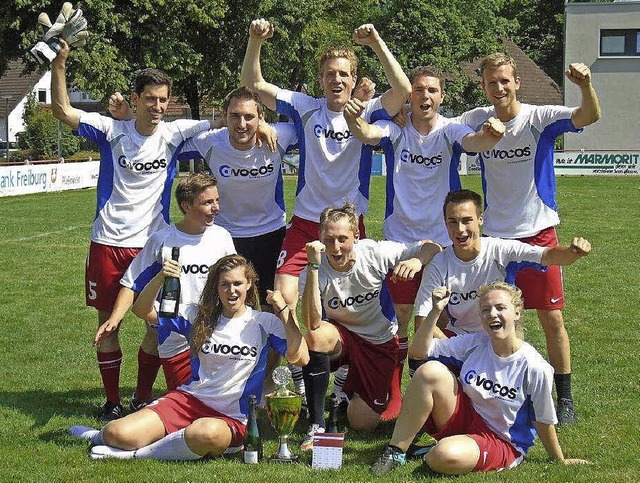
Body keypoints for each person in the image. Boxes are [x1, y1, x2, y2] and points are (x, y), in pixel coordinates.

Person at [51, 40, 214, 421]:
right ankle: (111, 401)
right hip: (108, 242)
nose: (158, 107)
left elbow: (226, 121)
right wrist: (60, 63)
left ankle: (142, 397)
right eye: (151, 99)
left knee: (156, 325)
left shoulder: (174, 134)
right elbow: (61, 109)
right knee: (109, 324)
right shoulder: (112, 130)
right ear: (136, 98)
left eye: (163, 100)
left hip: (154, 248)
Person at [343, 66, 505, 416]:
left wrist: (490, 135)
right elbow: (367, 132)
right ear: (410, 96)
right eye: (418, 90)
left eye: (432, 90)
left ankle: (446, 398)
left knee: (440, 320)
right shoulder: (395, 130)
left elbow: (475, 143)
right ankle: (393, 397)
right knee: (399, 319)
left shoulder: (450, 130)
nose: (425, 96)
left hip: (445, 244)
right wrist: (353, 116)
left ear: (441, 96)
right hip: (400, 243)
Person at [455, 53, 601, 423]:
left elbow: (588, 116)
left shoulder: (538, 118)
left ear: (517, 82)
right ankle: (495, 394)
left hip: (539, 236)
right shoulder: (475, 118)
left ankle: (563, 397)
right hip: (497, 242)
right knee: (494, 322)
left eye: (505, 81)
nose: (499, 88)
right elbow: (442, 128)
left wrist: (585, 85)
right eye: (492, 82)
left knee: (552, 319)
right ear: (484, 86)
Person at [241, 19, 412, 310]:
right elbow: (253, 83)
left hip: (348, 225)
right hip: (306, 222)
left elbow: (403, 88)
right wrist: (255, 40)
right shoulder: (305, 107)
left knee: (353, 303)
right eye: (330, 74)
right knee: (281, 300)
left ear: (354, 80)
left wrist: (376, 43)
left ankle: (342, 352)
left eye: (344, 74)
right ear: (320, 80)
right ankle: (295, 354)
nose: (337, 80)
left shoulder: (369, 111)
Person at [69, 255, 309, 461]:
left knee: (206, 434)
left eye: (238, 283)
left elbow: (300, 358)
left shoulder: (264, 323)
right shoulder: (198, 315)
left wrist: (285, 312)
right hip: (188, 401)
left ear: (249, 284)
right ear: (216, 287)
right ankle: (98, 435)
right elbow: (142, 311)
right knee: (117, 434)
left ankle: (136, 455)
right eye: (225, 284)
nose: (231, 290)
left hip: (231, 417)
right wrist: (160, 278)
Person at [371, 282, 590, 475]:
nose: (492, 314)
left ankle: (433, 451)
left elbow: (543, 419)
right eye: (486, 310)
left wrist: (558, 458)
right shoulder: (476, 343)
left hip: (501, 440)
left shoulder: (534, 366)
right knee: (430, 371)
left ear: (517, 313)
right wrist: (436, 310)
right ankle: (395, 452)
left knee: (444, 456)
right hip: (467, 420)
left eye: (500, 308)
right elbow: (418, 352)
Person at [300, 203, 442, 450]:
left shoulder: (374, 252)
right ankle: (316, 425)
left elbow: (432, 247)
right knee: (316, 336)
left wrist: (417, 261)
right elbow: (311, 322)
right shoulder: (315, 266)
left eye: (342, 239)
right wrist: (312, 267)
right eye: (329, 239)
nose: (335, 247)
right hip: (342, 335)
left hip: (379, 342)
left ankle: (345, 393)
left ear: (356, 236)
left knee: (362, 423)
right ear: (320, 238)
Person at [93, 173, 236, 405]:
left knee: (217, 402)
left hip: (214, 330)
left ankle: (144, 402)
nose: (215, 208)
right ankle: (143, 402)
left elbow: (235, 282)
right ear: (186, 206)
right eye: (208, 202)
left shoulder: (222, 237)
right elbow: (132, 282)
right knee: (188, 403)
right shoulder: (162, 240)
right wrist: (115, 318)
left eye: (217, 201)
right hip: (174, 335)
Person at [414, 189, 592, 340]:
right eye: (452, 221)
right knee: (431, 374)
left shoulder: (499, 249)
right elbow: (422, 324)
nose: (460, 229)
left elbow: (548, 255)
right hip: (458, 339)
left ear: (480, 219)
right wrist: (456, 350)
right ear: (445, 223)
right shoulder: (438, 263)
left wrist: (573, 252)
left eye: (467, 220)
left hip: (499, 338)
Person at [179, 87, 297, 307]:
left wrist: (266, 127)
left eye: (249, 117)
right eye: (235, 116)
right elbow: (167, 137)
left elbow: (315, 124)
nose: (242, 124)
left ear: (261, 117)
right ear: (224, 116)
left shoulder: (280, 136)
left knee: (275, 306)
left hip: (271, 233)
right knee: (229, 307)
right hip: (226, 236)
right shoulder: (210, 142)